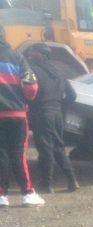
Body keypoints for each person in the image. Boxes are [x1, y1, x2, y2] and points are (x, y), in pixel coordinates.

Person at [0, 24, 44, 208]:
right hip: (17, 114)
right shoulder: (18, 58)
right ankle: (27, 193)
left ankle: (2, 197)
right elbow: (31, 86)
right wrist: (26, 101)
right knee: (18, 154)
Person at [26, 44, 79, 193]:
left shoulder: (33, 71)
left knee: (45, 149)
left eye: (33, 53)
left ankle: (46, 184)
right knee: (59, 147)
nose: (30, 56)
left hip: (42, 113)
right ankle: (72, 180)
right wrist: (60, 106)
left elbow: (29, 92)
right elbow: (72, 95)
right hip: (57, 114)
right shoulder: (59, 71)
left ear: (41, 55)